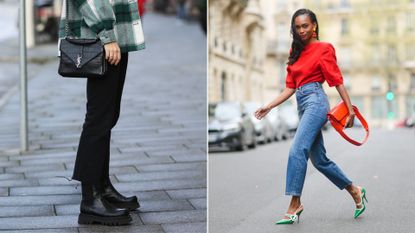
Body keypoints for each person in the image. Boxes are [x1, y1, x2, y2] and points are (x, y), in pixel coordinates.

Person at [254, 9, 367, 224]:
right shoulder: (294, 53)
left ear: (314, 25)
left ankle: (295, 203)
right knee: (319, 160)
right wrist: (268, 106)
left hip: (316, 101)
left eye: (305, 25)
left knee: (297, 149)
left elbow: (336, 80)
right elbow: (290, 88)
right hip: (302, 104)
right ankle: (355, 190)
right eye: (297, 27)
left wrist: (350, 110)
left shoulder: (324, 48)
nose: (302, 30)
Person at [58, 0, 145, 226]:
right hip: (102, 37)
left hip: (115, 37)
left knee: (108, 115)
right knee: (98, 118)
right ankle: (90, 200)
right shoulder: (106, 35)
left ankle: (102, 187)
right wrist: (107, 34)